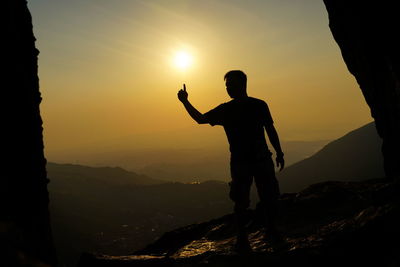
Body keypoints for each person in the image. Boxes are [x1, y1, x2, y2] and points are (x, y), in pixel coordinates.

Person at [177, 70, 285, 251]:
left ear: (242, 85)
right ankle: (251, 236)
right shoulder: (243, 107)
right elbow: (201, 119)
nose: (228, 89)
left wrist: (279, 152)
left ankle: (259, 234)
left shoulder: (239, 108)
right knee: (251, 199)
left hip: (249, 160)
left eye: (231, 85)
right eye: (227, 86)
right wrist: (185, 101)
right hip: (253, 160)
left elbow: (270, 129)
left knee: (258, 198)